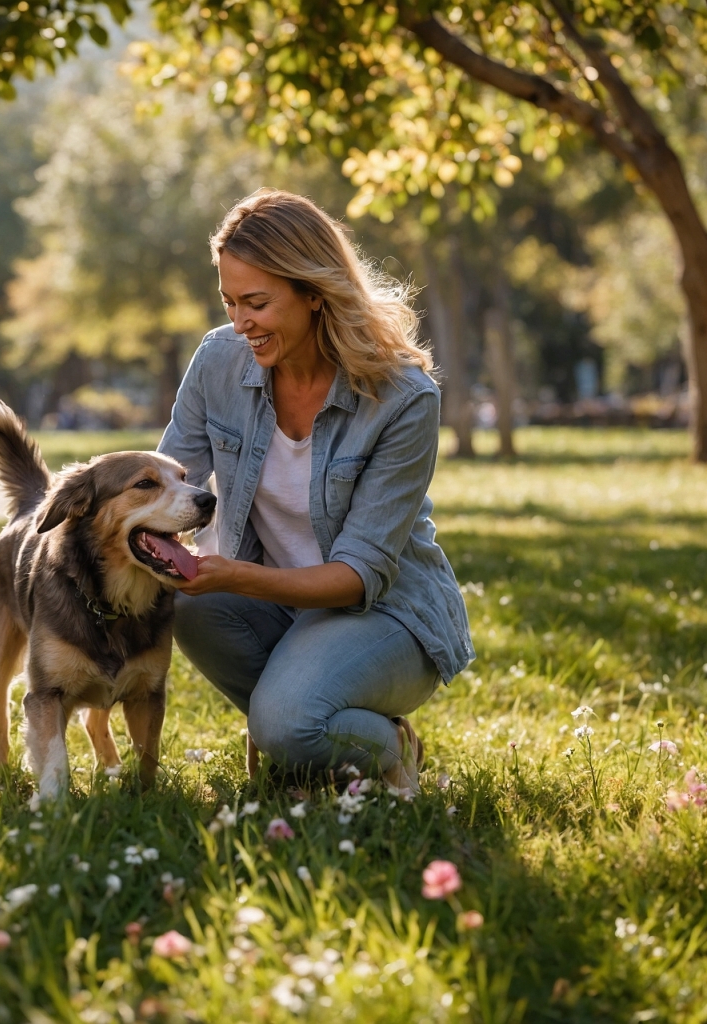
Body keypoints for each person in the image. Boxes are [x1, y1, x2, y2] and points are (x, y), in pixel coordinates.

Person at [158, 189, 473, 792]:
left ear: (314, 293)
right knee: (185, 603)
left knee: (283, 725)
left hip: (385, 614)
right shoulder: (217, 362)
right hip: (282, 606)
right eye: (229, 301)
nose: (240, 321)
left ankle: (376, 744)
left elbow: (358, 577)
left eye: (257, 302)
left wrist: (232, 575)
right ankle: (308, 735)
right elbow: (168, 482)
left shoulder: (403, 398)